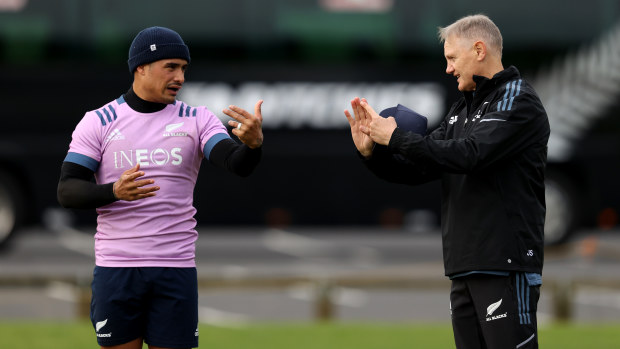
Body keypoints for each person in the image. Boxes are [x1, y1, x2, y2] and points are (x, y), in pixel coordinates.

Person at [344, 14, 549, 349]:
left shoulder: (517, 99)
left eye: (452, 58)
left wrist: (395, 137)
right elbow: (419, 169)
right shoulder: (462, 109)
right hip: (465, 266)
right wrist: (373, 153)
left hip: (504, 264)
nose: (448, 69)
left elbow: (471, 154)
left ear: (479, 50)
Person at [57, 26, 263, 349]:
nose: (180, 76)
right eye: (170, 67)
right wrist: (113, 191)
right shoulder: (99, 121)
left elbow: (234, 163)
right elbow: (67, 190)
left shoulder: (196, 119)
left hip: (175, 267)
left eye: (183, 68)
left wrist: (252, 146)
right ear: (140, 68)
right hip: (117, 269)